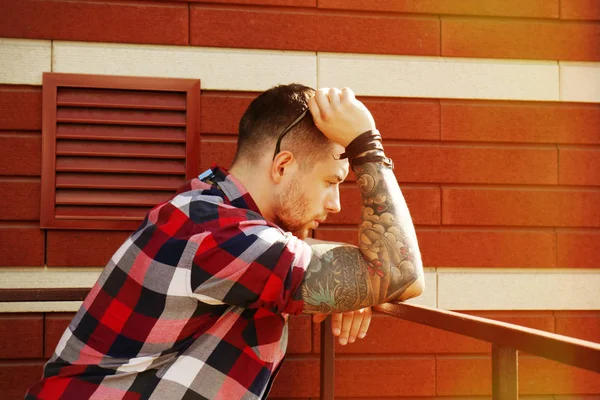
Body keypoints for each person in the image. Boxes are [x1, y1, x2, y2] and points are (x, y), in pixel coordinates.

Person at [26, 85, 424, 399]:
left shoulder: (208, 208)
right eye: (331, 182)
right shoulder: (218, 235)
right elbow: (398, 272)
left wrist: (355, 287)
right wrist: (367, 146)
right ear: (283, 166)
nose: (336, 205)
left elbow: (379, 270)